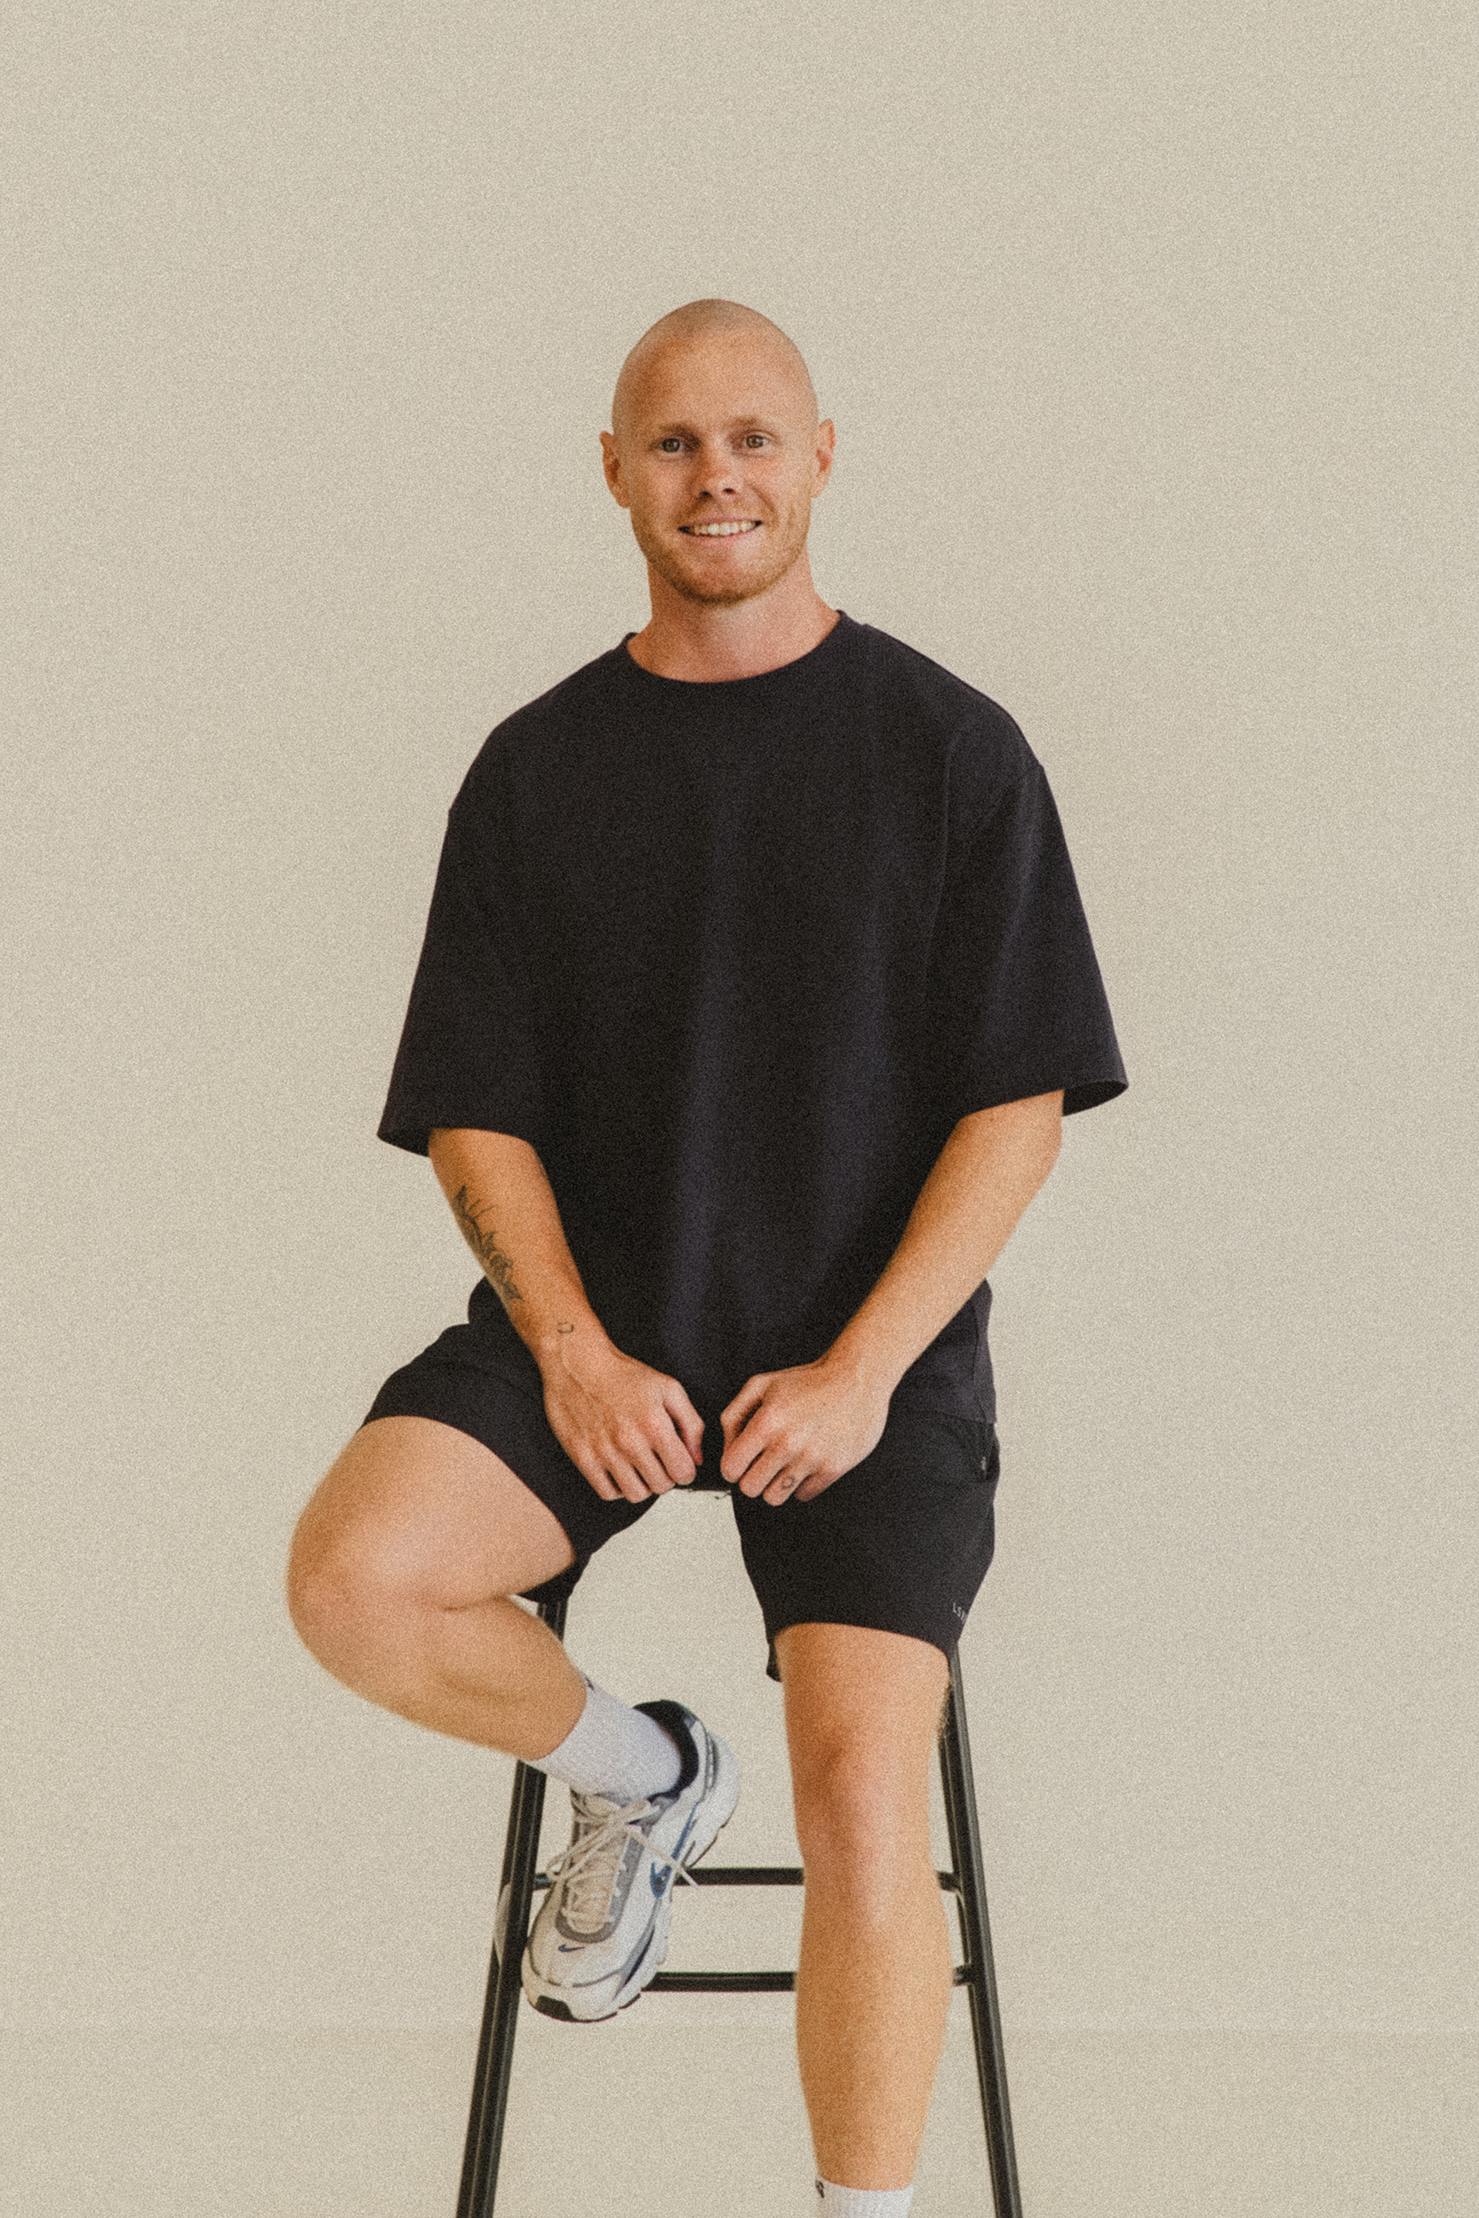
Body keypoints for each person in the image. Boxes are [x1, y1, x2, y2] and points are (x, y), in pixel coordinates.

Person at [286, 297, 1127, 2215]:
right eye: (672, 443)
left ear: (827, 453)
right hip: (606, 1326)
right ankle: (642, 1773)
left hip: (864, 1356)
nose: (716, 474)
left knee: (858, 1793)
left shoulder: (948, 750)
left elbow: (1018, 1104)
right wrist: (570, 1349)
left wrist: (864, 1368)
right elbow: (476, 1104)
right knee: (355, 1581)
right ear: (611, 470)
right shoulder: (535, 767)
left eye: (753, 437)